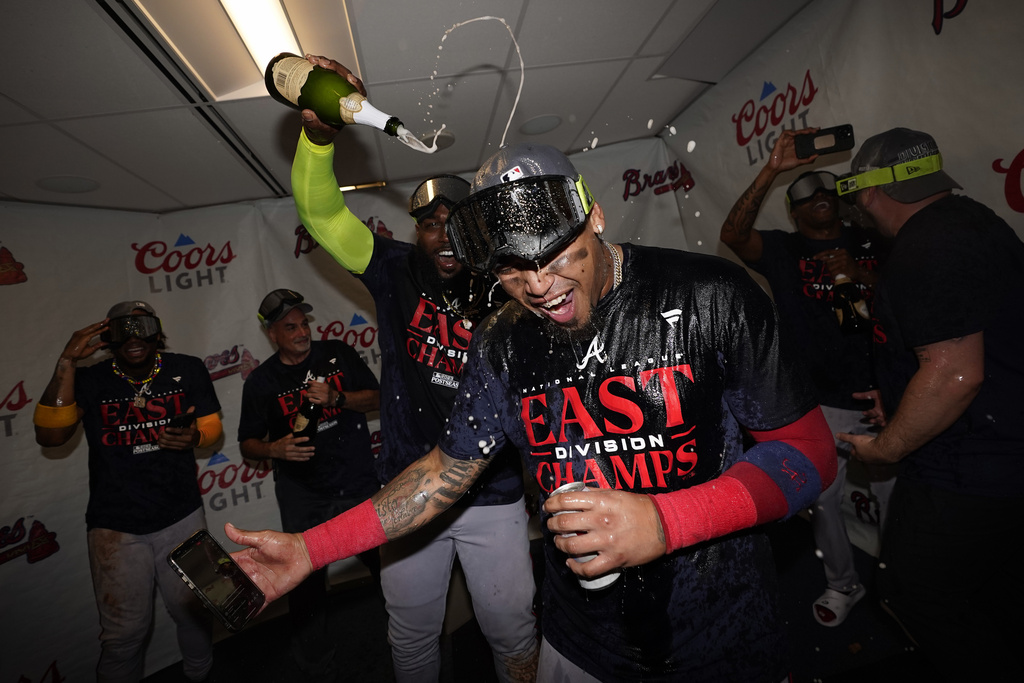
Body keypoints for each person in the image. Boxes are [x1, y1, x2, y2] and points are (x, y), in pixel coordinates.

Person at [226, 141, 837, 682]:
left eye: (556, 255)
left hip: (722, 632)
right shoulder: (501, 338)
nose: (540, 285)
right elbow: (443, 471)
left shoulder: (709, 295)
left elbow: (809, 455)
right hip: (580, 641)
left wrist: (665, 521)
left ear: (595, 216)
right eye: (514, 269)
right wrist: (311, 549)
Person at [287, 55, 538, 683]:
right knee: (412, 634)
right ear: (415, 231)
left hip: (494, 494)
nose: (443, 235)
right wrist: (320, 138)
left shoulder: (510, 283)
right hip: (404, 492)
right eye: (430, 224)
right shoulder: (393, 268)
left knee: (513, 631)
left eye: (457, 223)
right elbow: (321, 217)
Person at [834, 127, 1024, 680]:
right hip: (1001, 452)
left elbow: (956, 374)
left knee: (912, 592)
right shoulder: (975, 222)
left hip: (970, 467)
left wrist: (886, 448)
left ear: (868, 190)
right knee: (996, 589)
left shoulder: (928, 246)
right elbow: (964, 344)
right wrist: (898, 391)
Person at [720, 128, 894, 627]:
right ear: (793, 212)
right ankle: (844, 584)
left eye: (826, 191)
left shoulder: (871, 240)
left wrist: (864, 276)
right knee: (822, 499)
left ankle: (901, 585)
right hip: (817, 401)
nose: (818, 198)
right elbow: (733, 234)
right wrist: (773, 168)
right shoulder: (784, 250)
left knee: (893, 504)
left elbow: (912, 294)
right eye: (805, 196)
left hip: (882, 395)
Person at [33, 301, 222, 683]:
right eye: (122, 329)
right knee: (124, 636)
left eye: (143, 326)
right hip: (116, 527)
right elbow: (50, 436)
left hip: (182, 515)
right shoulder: (90, 379)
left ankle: (200, 675)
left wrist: (195, 437)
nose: (134, 337)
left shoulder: (187, 368)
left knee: (197, 609)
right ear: (106, 337)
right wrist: (68, 361)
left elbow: (211, 428)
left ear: (157, 331)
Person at [238, 288, 382, 682]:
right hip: (305, 495)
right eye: (290, 326)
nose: (302, 332)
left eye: (304, 323)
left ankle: (407, 639)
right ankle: (315, 665)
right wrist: (274, 448)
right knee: (306, 586)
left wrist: (338, 396)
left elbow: (376, 398)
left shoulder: (337, 353)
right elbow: (247, 443)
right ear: (272, 334)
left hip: (357, 483)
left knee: (391, 568)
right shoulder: (262, 382)